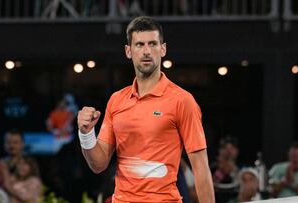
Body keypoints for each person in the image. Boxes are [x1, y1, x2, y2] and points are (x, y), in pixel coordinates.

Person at [77, 16, 214, 202]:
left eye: (153, 44)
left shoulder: (182, 101)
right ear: (128, 51)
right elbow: (98, 164)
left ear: (163, 49)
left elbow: (201, 168)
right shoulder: (116, 101)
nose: (147, 51)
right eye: (140, 45)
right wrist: (86, 134)